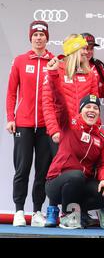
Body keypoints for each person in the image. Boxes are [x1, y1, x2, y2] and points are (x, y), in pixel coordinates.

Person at [44, 57, 104, 229]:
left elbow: (103, 164)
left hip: (79, 183)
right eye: (87, 107)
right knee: (76, 175)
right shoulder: (69, 124)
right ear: (81, 111)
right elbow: (59, 102)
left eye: (95, 108)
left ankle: (79, 211)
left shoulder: (101, 136)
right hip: (56, 183)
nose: (92, 110)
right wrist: (53, 74)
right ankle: (68, 215)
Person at [6, 20, 54, 227]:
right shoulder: (20, 60)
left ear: (47, 38)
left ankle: (37, 211)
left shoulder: (54, 62)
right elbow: (11, 92)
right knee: (22, 168)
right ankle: (18, 211)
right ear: (30, 37)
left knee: (43, 170)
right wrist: (10, 118)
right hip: (23, 124)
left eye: (42, 35)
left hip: (46, 125)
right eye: (35, 34)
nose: (39, 38)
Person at [42, 34, 99, 156]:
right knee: (62, 170)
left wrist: (96, 129)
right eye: (83, 48)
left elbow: (95, 106)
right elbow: (47, 104)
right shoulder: (56, 71)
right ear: (74, 50)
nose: (86, 52)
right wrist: (54, 130)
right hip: (61, 131)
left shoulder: (91, 75)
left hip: (82, 132)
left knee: (81, 169)